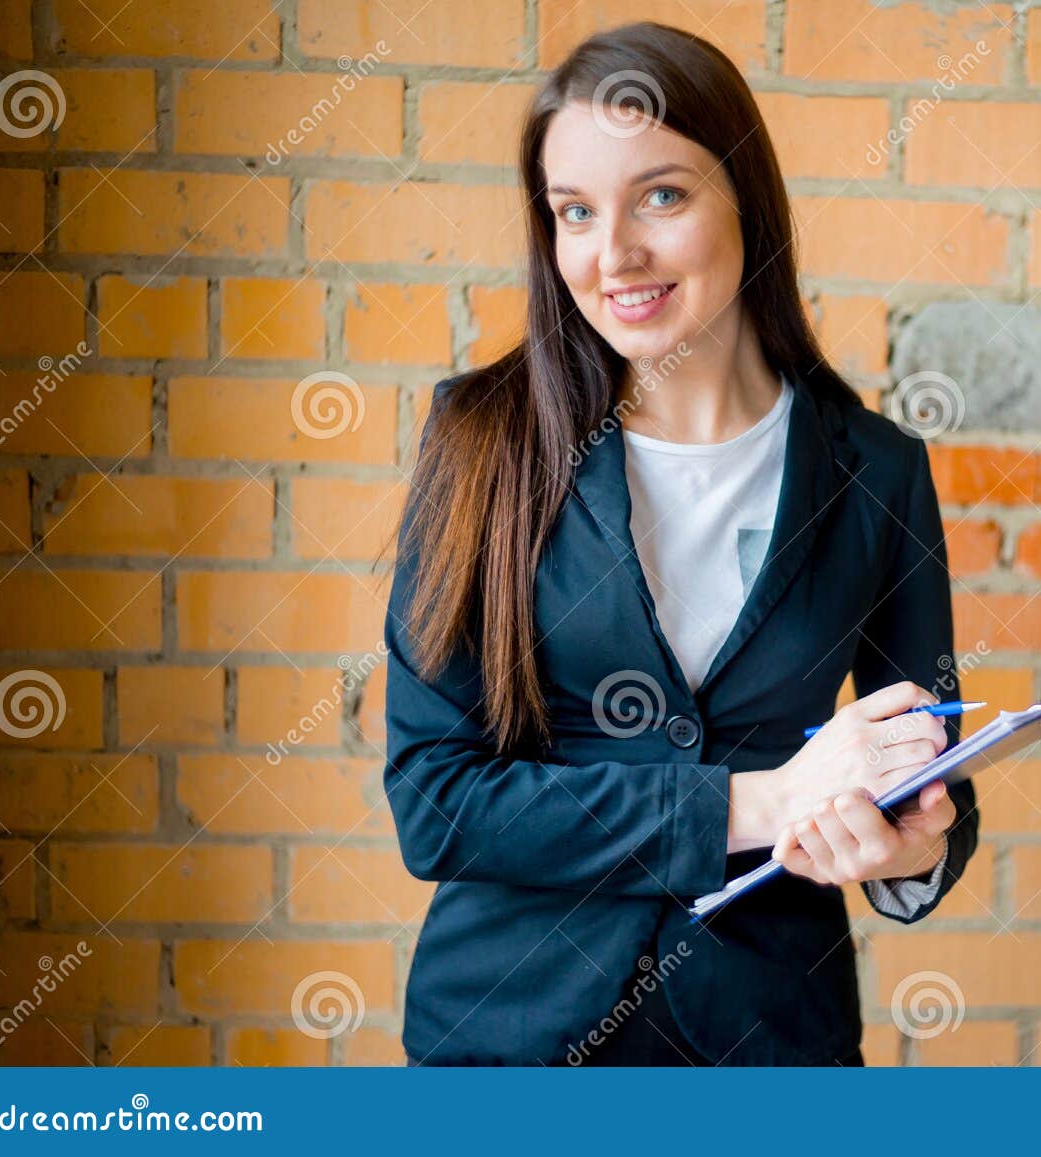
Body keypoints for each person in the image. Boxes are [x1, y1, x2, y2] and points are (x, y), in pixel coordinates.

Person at [384, 21, 980, 1067]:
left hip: (767, 1046)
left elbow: (930, 757)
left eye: (659, 196)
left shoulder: (876, 471)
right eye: (575, 212)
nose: (612, 255)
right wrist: (758, 801)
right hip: (508, 1043)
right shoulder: (480, 440)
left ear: (745, 197)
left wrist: (912, 843)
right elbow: (436, 800)